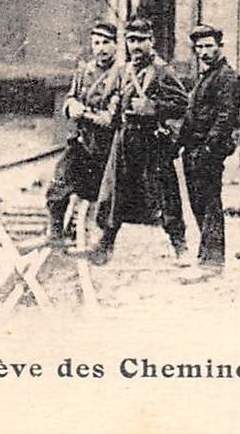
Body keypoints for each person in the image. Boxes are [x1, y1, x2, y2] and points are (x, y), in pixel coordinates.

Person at [90, 17, 190, 265]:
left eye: (141, 41)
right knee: (117, 193)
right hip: (126, 139)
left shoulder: (162, 70)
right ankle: (105, 246)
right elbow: (113, 100)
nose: (136, 46)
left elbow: (182, 104)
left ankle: (181, 247)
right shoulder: (125, 71)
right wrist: (114, 106)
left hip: (153, 142)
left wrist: (153, 107)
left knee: (166, 193)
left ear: (151, 42)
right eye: (131, 40)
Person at [45, 20, 123, 247]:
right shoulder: (84, 70)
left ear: (116, 46)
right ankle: (55, 234)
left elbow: (110, 119)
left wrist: (83, 113)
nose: (101, 48)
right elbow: (71, 97)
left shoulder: (121, 74)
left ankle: (104, 243)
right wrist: (71, 106)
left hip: (109, 147)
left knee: (108, 198)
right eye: (96, 43)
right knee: (58, 184)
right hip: (82, 143)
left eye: (106, 43)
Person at [176, 24, 240, 278]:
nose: (204, 51)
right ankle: (207, 259)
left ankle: (212, 263)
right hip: (194, 150)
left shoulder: (228, 77)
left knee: (210, 205)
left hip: (208, 152)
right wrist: (179, 145)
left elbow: (226, 118)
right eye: (200, 47)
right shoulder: (205, 76)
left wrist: (207, 149)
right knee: (199, 205)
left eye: (209, 46)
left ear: (219, 47)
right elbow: (192, 114)